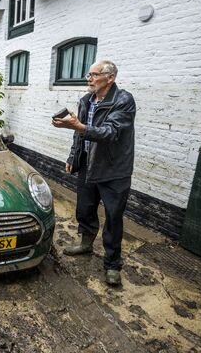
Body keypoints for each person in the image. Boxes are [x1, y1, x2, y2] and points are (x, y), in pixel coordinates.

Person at [51, 59, 136, 286]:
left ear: (110, 78)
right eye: (88, 74)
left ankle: (112, 264)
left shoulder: (124, 101)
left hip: (114, 169)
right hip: (88, 164)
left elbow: (111, 132)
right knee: (85, 209)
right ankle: (86, 244)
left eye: (94, 75)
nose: (89, 79)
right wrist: (73, 156)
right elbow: (79, 134)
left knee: (113, 217)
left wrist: (78, 126)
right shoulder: (86, 100)